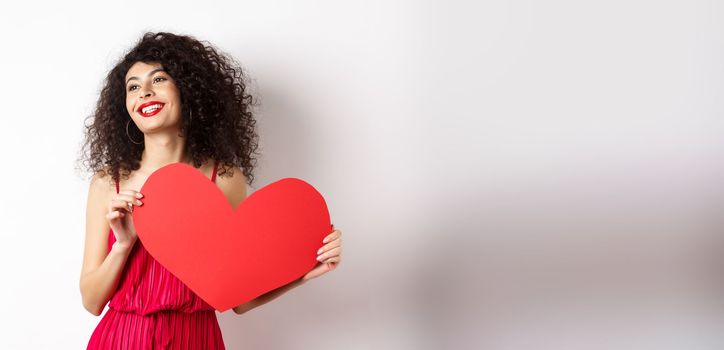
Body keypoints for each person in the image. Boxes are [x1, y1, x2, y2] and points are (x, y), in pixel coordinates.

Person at [78, 32, 343, 349]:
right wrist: (123, 245)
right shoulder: (109, 183)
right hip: (123, 339)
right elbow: (91, 301)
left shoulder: (224, 178)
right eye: (133, 86)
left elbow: (238, 299)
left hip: (197, 339)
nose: (144, 93)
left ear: (188, 90)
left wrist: (305, 270)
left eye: (159, 79)